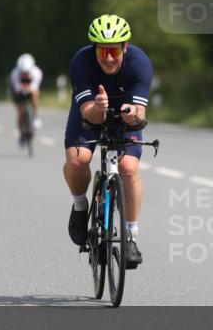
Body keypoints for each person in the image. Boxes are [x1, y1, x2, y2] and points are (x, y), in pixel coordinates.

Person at [64, 15, 152, 268]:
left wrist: (132, 114)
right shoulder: (81, 62)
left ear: (125, 47)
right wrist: (99, 107)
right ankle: (80, 206)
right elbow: (88, 114)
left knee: (129, 168)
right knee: (78, 159)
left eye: (114, 51)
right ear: (94, 49)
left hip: (125, 117)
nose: (109, 58)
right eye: (103, 51)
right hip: (90, 112)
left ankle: (130, 237)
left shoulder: (139, 63)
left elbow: (140, 115)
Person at [9, 53, 43, 143]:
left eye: (27, 72)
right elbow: (16, 87)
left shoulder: (37, 72)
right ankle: (21, 133)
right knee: (20, 112)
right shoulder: (15, 73)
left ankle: (36, 117)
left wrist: (29, 89)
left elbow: (35, 87)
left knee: (35, 95)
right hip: (19, 91)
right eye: (23, 72)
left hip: (31, 90)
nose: (25, 74)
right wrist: (22, 89)